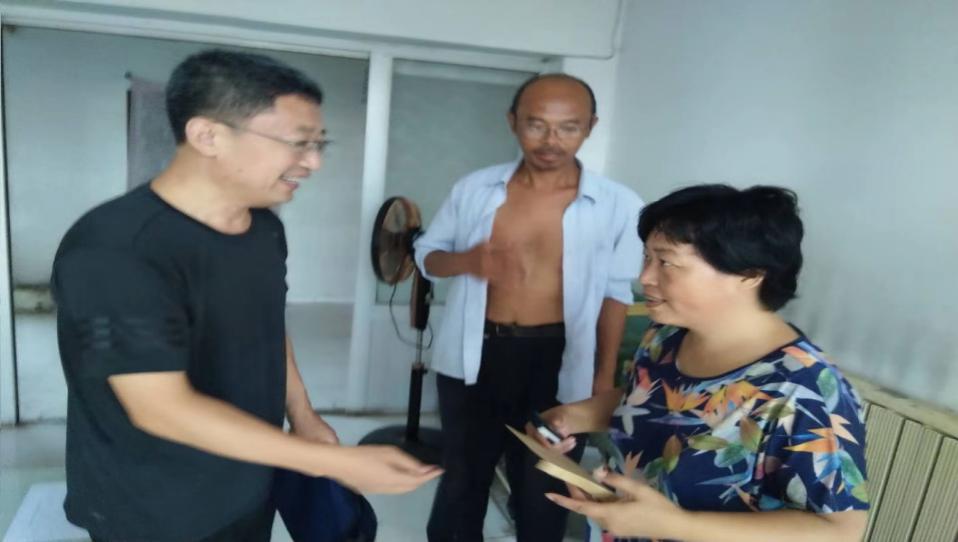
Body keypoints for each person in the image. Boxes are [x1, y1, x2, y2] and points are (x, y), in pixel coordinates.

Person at [52, 49, 440, 542]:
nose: (314, 162)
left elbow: (269, 323)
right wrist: (333, 462)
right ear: (208, 135)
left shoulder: (263, 229)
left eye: (320, 144)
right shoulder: (116, 250)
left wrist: (302, 414)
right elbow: (160, 408)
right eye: (298, 143)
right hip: (153, 506)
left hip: (248, 480)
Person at [533, 185, 869, 542]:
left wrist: (673, 525)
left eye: (666, 262)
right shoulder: (667, 335)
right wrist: (572, 417)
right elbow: (649, 400)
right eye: (647, 258)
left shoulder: (805, 390)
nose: (645, 277)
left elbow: (839, 531)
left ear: (749, 274)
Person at [414, 73, 644, 541]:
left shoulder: (618, 204)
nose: (551, 141)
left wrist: (601, 383)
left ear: (590, 126)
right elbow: (427, 255)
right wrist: (467, 261)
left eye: (568, 127)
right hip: (473, 357)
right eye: (536, 125)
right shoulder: (475, 189)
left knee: (547, 485)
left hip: (558, 359)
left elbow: (616, 294)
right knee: (462, 479)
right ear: (513, 121)